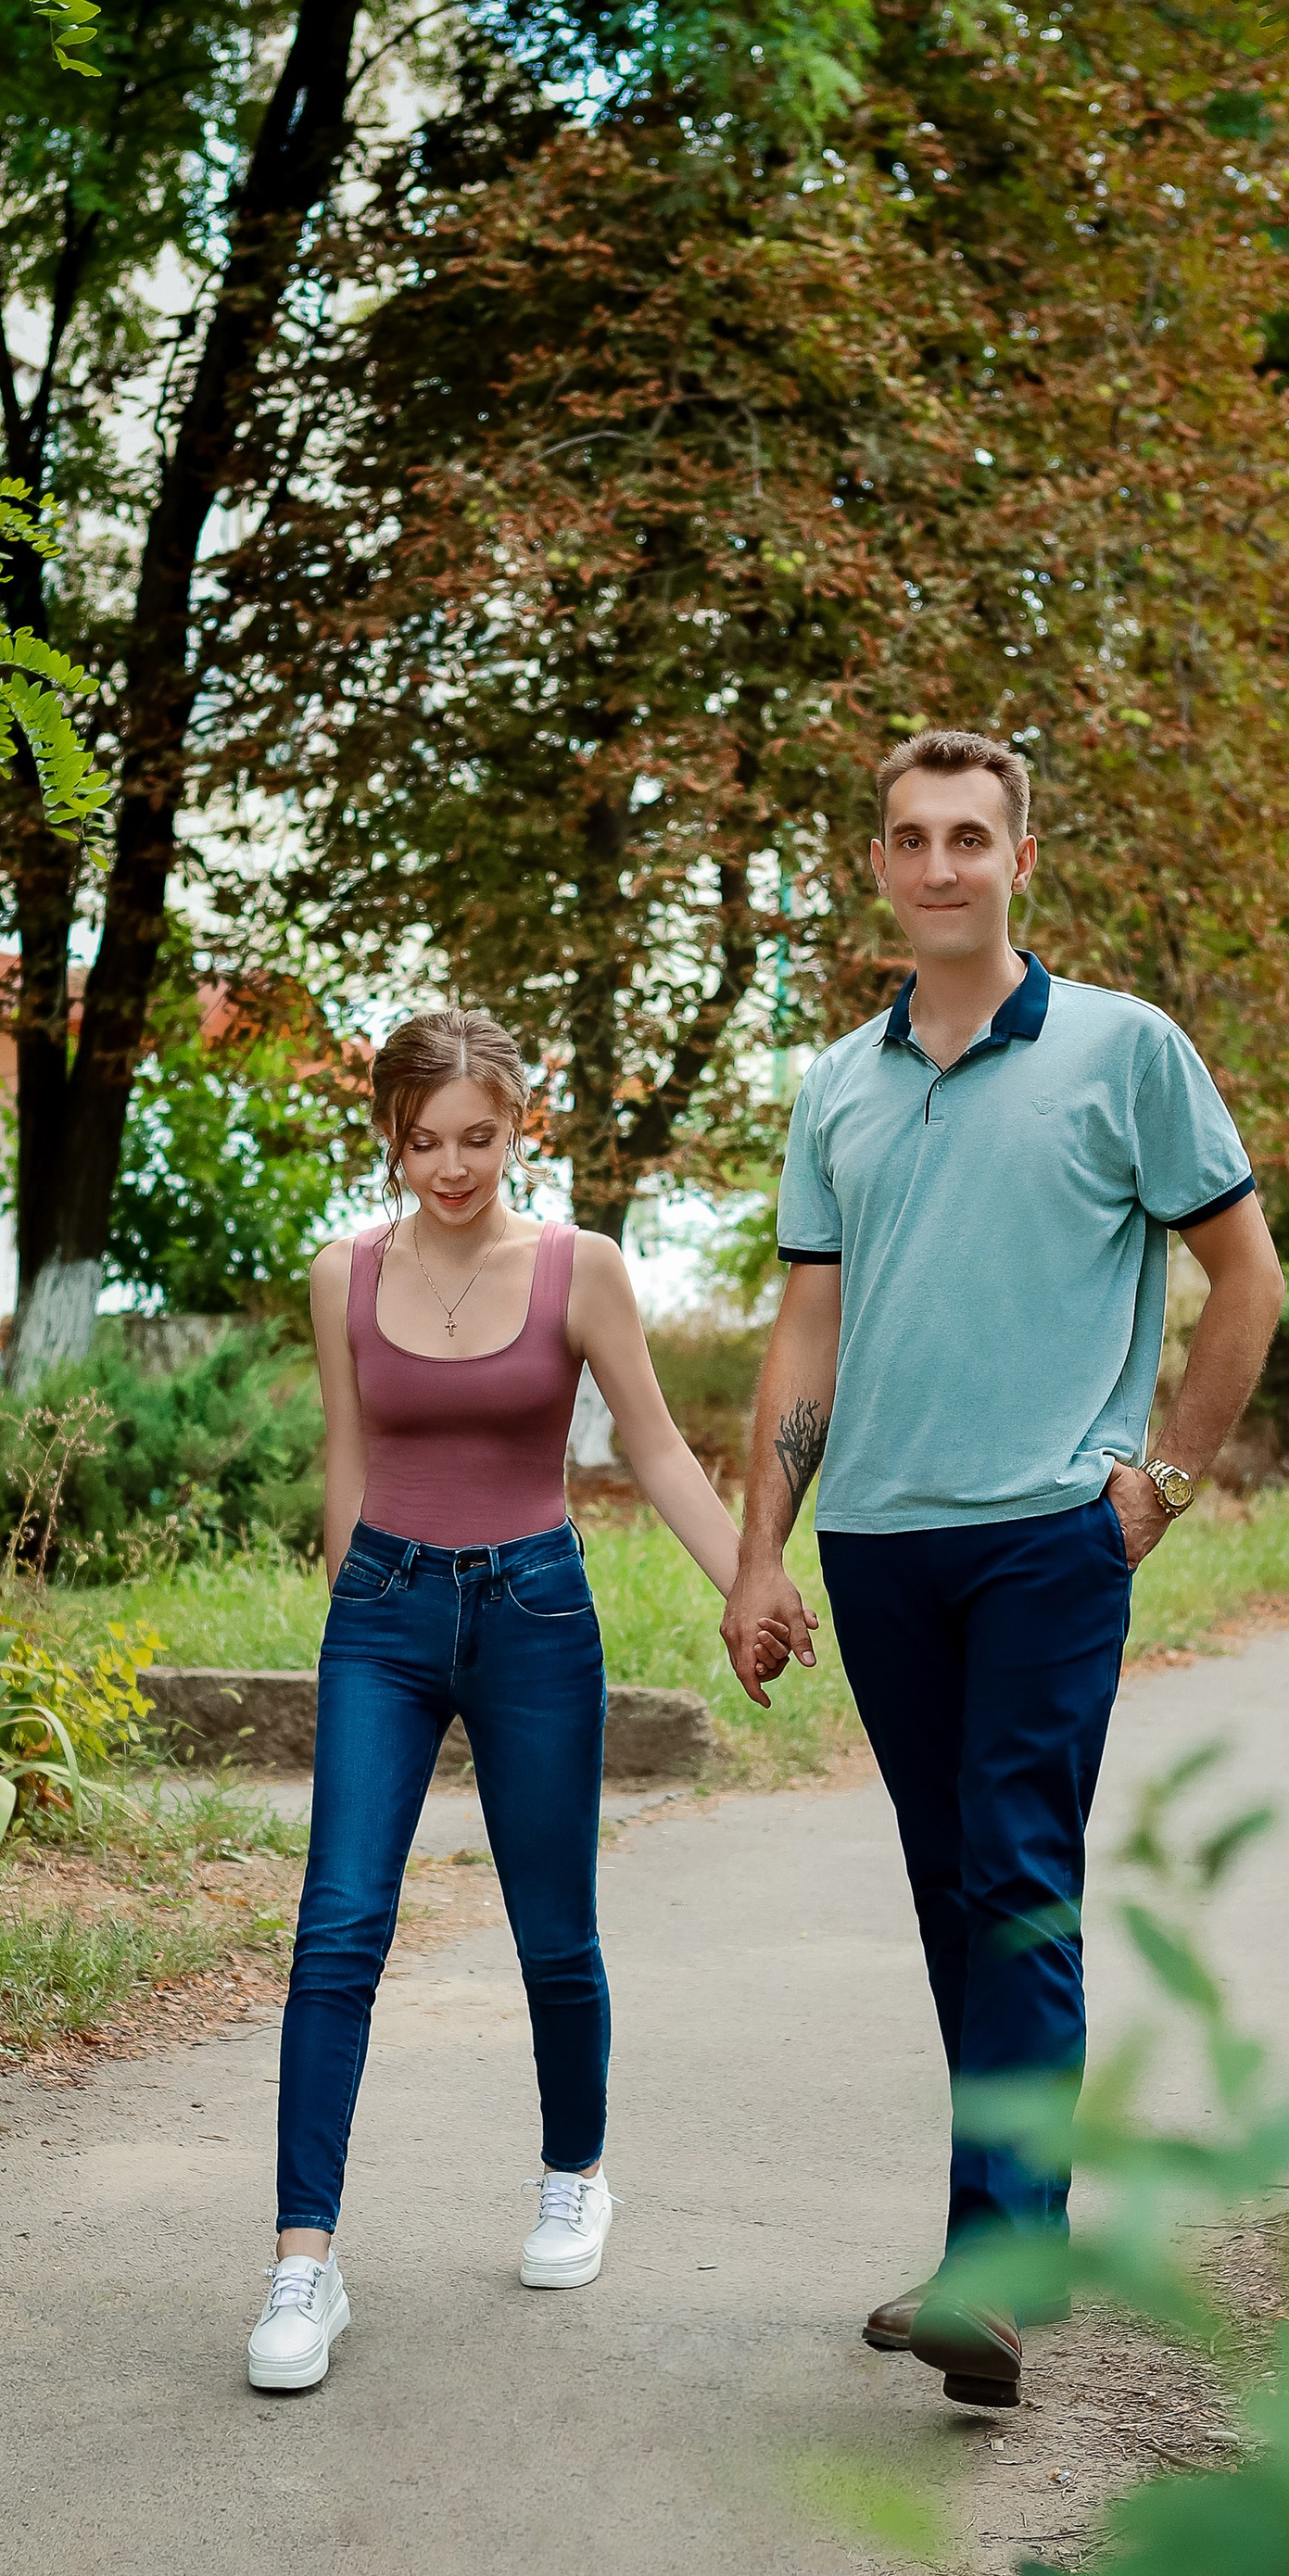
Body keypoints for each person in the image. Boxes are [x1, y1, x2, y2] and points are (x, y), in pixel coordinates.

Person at [719, 727, 1286, 2411]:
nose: (941, 864)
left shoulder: (1126, 1050)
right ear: (879, 867)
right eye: (911, 838)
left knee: (1018, 1878)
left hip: (1049, 1539)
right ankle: (1009, 2248)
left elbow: (1246, 1278)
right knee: (952, 1891)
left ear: (1020, 860)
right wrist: (761, 1551)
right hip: (881, 1546)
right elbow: (808, 1327)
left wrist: (1161, 1484)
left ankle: (991, 2270)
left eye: (971, 836)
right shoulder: (840, 1083)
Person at [247, 1005, 755, 2393]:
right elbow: (348, 1454)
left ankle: (575, 2175)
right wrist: (352, 1609)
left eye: (478, 1138)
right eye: (425, 1142)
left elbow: (656, 1449)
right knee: (338, 1927)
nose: (452, 1168)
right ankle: (303, 2267)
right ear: (390, 1136)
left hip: (536, 1613)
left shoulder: (579, 1270)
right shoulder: (347, 1272)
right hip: (386, 1613)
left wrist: (750, 1583)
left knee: (554, 1932)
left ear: (518, 1130)